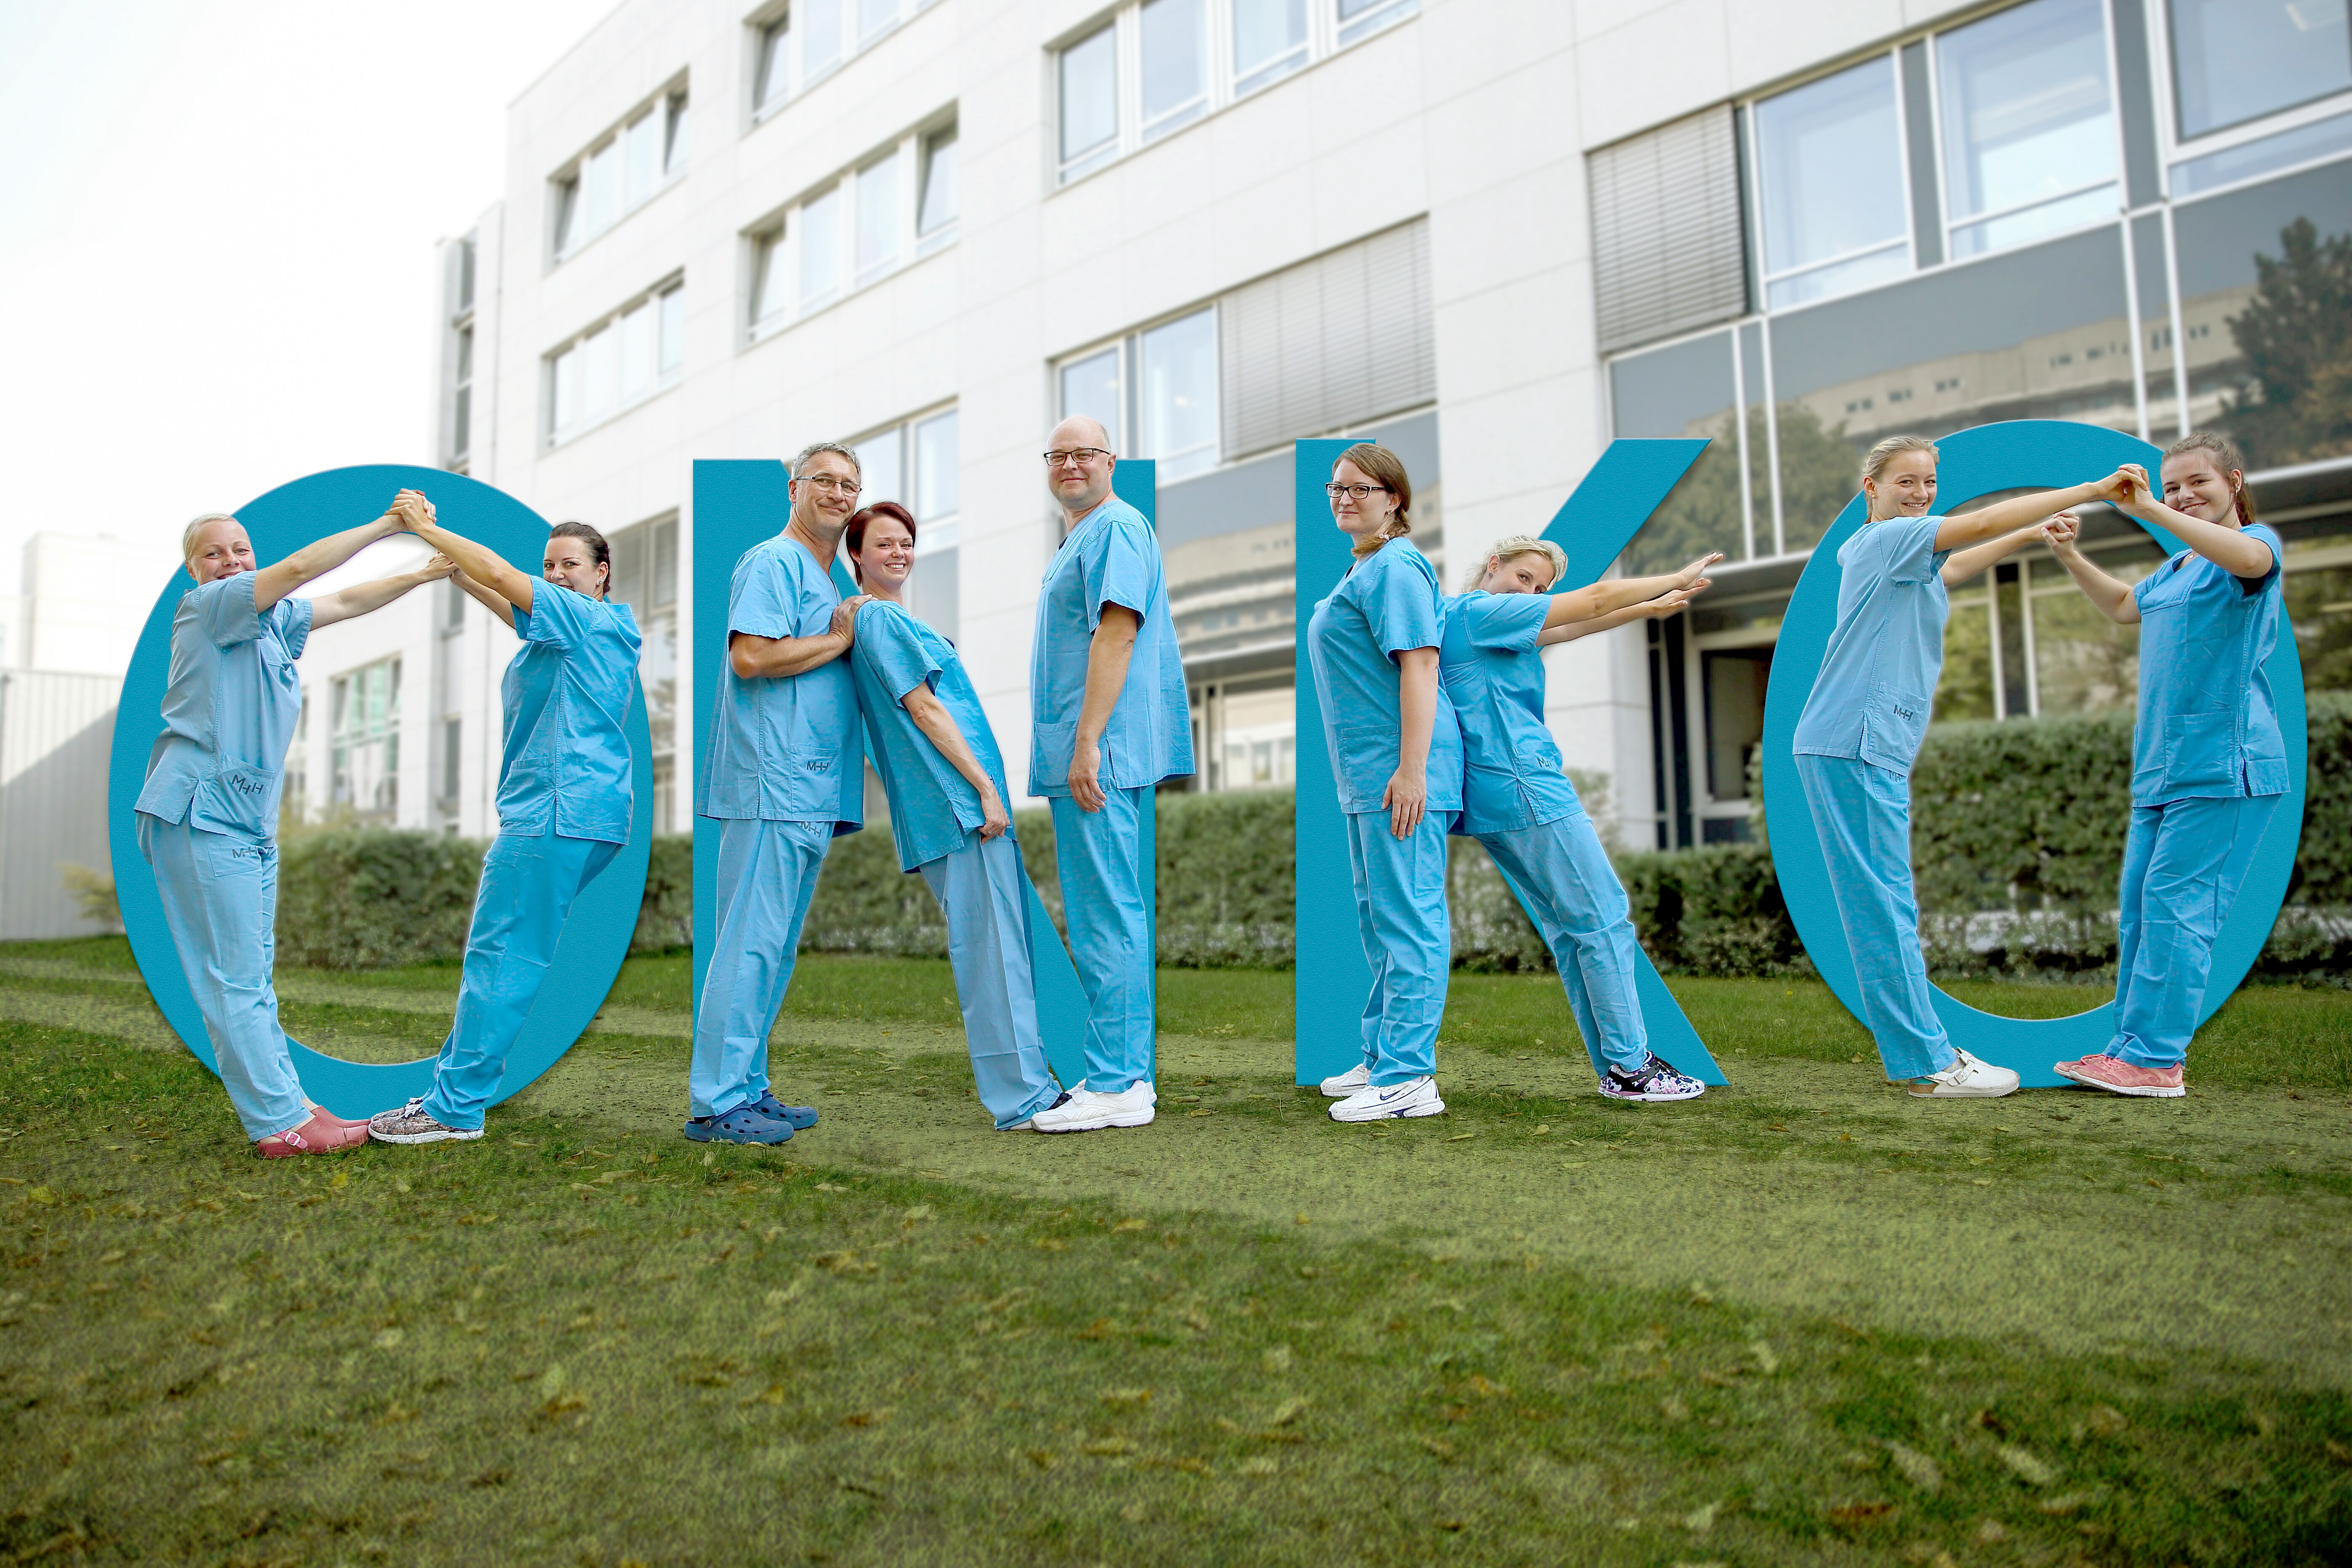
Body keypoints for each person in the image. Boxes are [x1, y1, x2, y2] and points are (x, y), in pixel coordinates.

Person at [1791, 435, 2136, 1098]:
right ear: (1870, 489)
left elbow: (1953, 566)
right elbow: (1975, 523)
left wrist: (2032, 532)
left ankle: (1923, 1056)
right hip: (1854, 739)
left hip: (1859, 740)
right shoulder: (1886, 540)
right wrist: (2091, 491)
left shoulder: (1896, 552)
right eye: (1904, 482)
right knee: (1883, 907)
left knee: (1885, 903)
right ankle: (1928, 1063)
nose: (1920, 493)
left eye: (1928, 483)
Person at [136, 504, 453, 1155]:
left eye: (240, 549)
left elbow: (344, 598)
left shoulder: (271, 621)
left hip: (244, 819)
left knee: (251, 974)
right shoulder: (212, 606)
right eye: (214, 553)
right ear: (194, 571)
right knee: (234, 977)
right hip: (198, 810)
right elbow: (308, 567)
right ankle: (278, 1122)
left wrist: (420, 574)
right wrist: (385, 525)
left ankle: (292, 1103)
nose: (231, 561)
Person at [366, 499, 641, 1144]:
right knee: (509, 953)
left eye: (570, 563)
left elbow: (496, 569)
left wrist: (424, 527)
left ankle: (454, 1108)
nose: (555, 572)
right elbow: (502, 594)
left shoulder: (579, 618)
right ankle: (451, 1094)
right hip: (585, 812)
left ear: (603, 573)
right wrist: (460, 578)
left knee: (502, 956)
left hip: (555, 808)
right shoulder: (580, 629)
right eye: (547, 564)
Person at [2038, 434, 2287, 1099]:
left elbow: (2250, 558)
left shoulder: (2251, 547)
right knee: (2143, 914)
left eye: (2194, 483)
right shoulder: (2178, 567)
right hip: (2161, 773)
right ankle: (2127, 1051)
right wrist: (2068, 555)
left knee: (2179, 913)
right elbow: (2126, 606)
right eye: (2171, 487)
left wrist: (2149, 510)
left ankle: (2155, 1061)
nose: (2181, 496)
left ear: (2233, 481)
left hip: (2223, 767)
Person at [1430, 535, 1719, 1103]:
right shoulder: (1484, 611)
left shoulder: (1463, 621)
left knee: (1572, 931)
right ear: (1493, 566)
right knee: (1603, 919)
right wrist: (1674, 576)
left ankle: (1619, 1066)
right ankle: (1632, 1068)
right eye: (1524, 579)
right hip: (1524, 787)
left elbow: (1570, 626)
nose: (1533, 594)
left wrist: (1645, 609)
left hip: (1492, 795)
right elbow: (1592, 600)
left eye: (1540, 589)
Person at [841, 502, 1069, 1130]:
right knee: (992, 954)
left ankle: (1030, 1087)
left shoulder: (877, 619)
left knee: (1000, 948)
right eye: (882, 543)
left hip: (957, 805)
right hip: (959, 805)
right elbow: (926, 711)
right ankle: (1023, 1099)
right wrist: (984, 793)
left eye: (906, 543)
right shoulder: (882, 620)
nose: (898, 552)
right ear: (854, 554)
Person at [689, 442, 870, 1144]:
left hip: (807, 790)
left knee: (773, 949)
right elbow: (752, 656)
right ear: (793, 488)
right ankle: (716, 1103)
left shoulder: (825, 578)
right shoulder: (773, 561)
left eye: (849, 485)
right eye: (823, 480)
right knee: (749, 946)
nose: (837, 493)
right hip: (772, 783)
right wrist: (837, 640)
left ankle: (748, 1087)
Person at [1021, 419, 1192, 1134]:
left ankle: (1121, 1082)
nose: (1069, 463)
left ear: (1110, 462)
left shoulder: (1117, 528)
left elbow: (1116, 631)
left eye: (1084, 452)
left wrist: (1088, 740)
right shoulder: (1086, 533)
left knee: (1106, 916)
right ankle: (1121, 1072)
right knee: (1104, 912)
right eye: (1058, 454)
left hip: (1100, 751)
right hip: (1089, 747)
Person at [1307, 443, 1464, 1122]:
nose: (1344, 499)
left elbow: (1421, 667)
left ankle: (1408, 1078)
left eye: (1360, 489)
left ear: (1394, 497)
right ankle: (1382, 1056)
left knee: (1409, 921)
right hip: (1369, 775)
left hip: (1401, 774)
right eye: (1335, 489)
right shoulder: (1365, 567)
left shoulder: (1396, 566)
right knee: (1380, 920)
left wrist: (1411, 771)